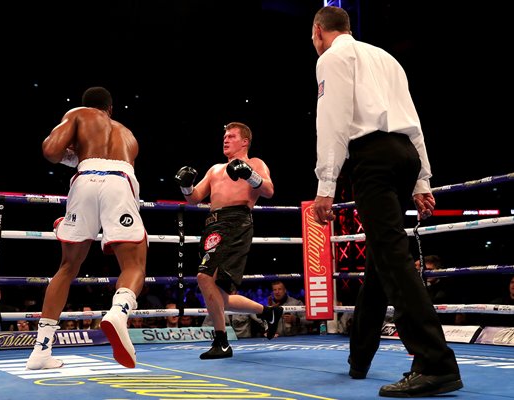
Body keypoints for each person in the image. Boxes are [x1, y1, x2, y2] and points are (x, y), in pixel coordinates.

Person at [310, 6, 462, 397]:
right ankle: (360, 356)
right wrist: (423, 178)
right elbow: (413, 120)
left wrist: (325, 186)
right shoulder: (386, 58)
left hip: (373, 159)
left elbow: (332, 119)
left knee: (393, 258)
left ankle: (435, 363)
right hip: (404, 156)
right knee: (382, 257)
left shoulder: (332, 56)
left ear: (318, 31)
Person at [26, 86, 148, 370]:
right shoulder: (128, 135)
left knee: (67, 267)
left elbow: (50, 150)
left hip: (85, 181)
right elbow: (116, 167)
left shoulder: (78, 114)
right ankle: (119, 312)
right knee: (134, 265)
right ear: (110, 109)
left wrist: (72, 154)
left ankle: (40, 352)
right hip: (121, 183)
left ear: (87, 106)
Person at [174, 121, 283, 360]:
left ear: (245, 141)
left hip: (236, 221)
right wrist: (186, 185)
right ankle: (268, 313)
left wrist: (249, 174)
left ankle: (221, 341)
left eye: (231, 136)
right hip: (212, 225)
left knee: (204, 277)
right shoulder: (214, 170)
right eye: (224, 136)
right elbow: (194, 198)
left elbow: (269, 190)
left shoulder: (255, 164)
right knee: (218, 294)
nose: (225, 139)